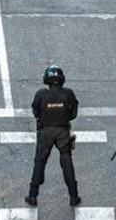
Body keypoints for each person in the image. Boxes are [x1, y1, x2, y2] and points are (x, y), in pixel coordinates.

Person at [26, 65, 81, 207]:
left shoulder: (41, 94)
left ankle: (33, 196)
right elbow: (74, 112)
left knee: (40, 162)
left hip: (45, 132)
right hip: (62, 131)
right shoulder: (68, 93)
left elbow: (35, 111)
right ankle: (74, 196)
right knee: (67, 163)